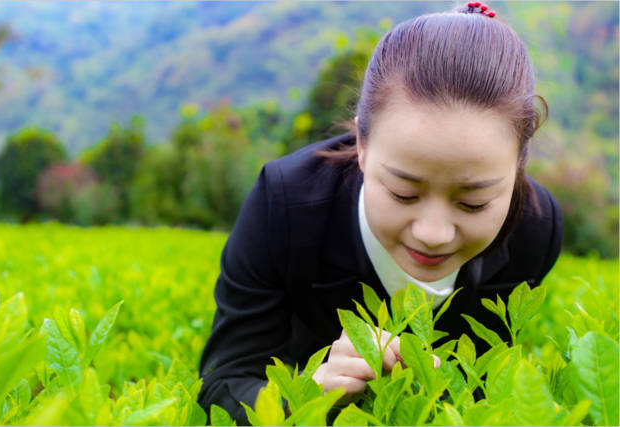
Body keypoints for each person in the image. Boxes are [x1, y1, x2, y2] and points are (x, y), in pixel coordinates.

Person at [199, 3, 564, 424]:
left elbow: (487, 385)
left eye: (473, 203)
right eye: (403, 192)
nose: (433, 233)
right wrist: (305, 396)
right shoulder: (285, 206)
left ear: (519, 163)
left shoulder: (535, 230)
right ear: (362, 145)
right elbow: (221, 383)